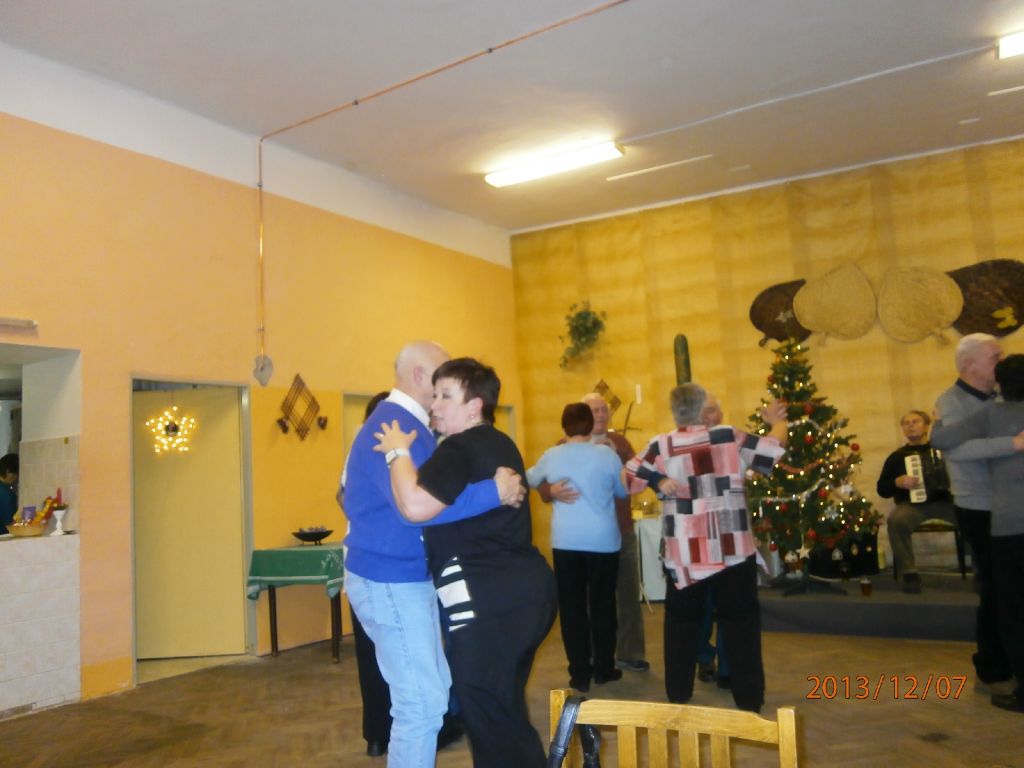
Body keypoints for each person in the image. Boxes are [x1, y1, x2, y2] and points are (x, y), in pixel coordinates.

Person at [343, 343, 524, 768]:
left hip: (403, 579)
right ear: (420, 375)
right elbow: (418, 507)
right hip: (390, 580)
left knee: (432, 694)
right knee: (421, 704)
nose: (444, 390)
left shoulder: (411, 426)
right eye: (441, 380)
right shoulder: (393, 424)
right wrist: (493, 492)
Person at [374, 357, 558, 768]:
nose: (434, 404)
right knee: (502, 708)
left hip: (489, 600)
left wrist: (396, 450)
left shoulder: (459, 446)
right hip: (525, 593)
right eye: (434, 394)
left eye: (445, 396)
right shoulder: (499, 442)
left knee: (488, 713)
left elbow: (414, 505)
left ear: (474, 406)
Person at [625, 384, 787, 713]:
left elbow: (628, 476)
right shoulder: (728, 437)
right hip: (732, 549)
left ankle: (678, 695)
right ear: (702, 409)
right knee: (741, 625)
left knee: (680, 625)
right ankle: (749, 699)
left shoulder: (662, 444)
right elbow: (773, 448)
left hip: (685, 555)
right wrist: (776, 421)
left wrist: (656, 481)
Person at [932, 354, 1024, 714]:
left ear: (1000, 383)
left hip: (1010, 524)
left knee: (1013, 608)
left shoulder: (992, 415)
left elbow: (941, 438)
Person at [537, 392, 650, 674]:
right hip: (578, 539)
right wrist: (550, 491)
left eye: (603, 410)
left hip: (621, 530)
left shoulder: (619, 443)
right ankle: (589, 657)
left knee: (627, 595)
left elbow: (636, 479)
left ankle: (629, 652)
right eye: (595, 410)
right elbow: (541, 482)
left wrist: (616, 457)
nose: (601, 415)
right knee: (585, 600)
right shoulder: (561, 446)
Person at [527, 402, 628, 692]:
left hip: (567, 541)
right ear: (591, 425)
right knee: (603, 605)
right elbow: (622, 491)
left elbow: (529, 477)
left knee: (572, 608)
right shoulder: (607, 455)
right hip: (603, 541)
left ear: (564, 426)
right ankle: (604, 668)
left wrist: (550, 489)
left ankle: (579, 673)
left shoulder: (552, 455)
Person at [876, 410, 955, 594]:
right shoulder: (897, 457)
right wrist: (897, 482)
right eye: (906, 423)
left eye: (915, 421)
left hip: (944, 503)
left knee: (972, 516)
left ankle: (981, 572)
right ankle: (909, 573)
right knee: (896, 520)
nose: (910, 425)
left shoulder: (943, 451)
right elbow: (882, 489)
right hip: (912, 506)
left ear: (926, 426)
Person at [693, 394, 731, 689]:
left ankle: (729, 668)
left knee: (729, 606)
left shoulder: (730, 442)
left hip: (729, 537)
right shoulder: (685, 446)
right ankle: (704, 657)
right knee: (703, 608)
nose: (709, 415)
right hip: (700, 539)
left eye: (713, 410)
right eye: (703, 410)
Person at [0, 453, 17, 535]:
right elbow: (9, 522)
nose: (16, 477)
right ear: (7, 471)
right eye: (15, 473)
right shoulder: (5, 493)